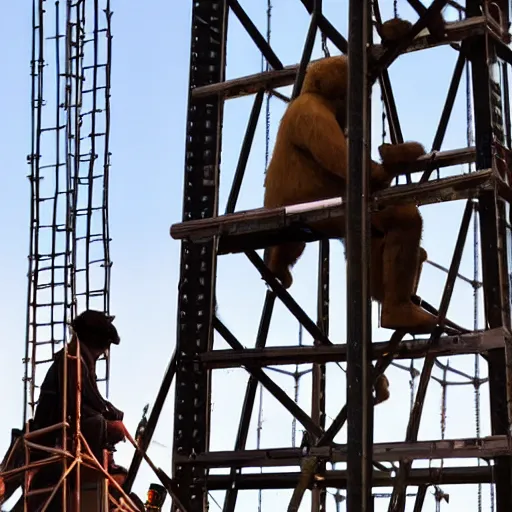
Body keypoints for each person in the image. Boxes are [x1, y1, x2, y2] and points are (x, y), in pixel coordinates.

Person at [27, 309, 135, 510]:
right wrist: (108, 418)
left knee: (109, 426)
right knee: (109, 428)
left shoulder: (80, 361)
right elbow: (75, 406)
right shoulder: (72, 361)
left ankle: (104, 468)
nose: (105, 353)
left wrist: (109, 410)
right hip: (57, 434)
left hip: (66, 426)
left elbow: (90, 398)